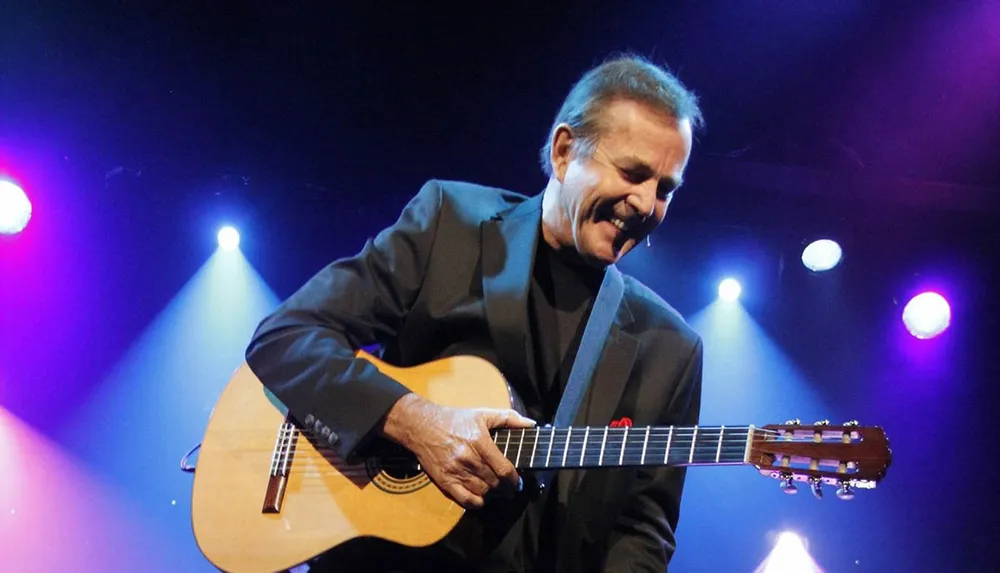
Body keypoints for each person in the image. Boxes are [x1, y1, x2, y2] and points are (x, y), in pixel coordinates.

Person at [245, 53, 705, 573]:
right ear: (563, 152)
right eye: (633, 172)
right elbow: (284, 339)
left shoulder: (670, 347)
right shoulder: (451, 225)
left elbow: (642, 530)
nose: (646, 204)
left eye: (665, 189)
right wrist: (414, 420)